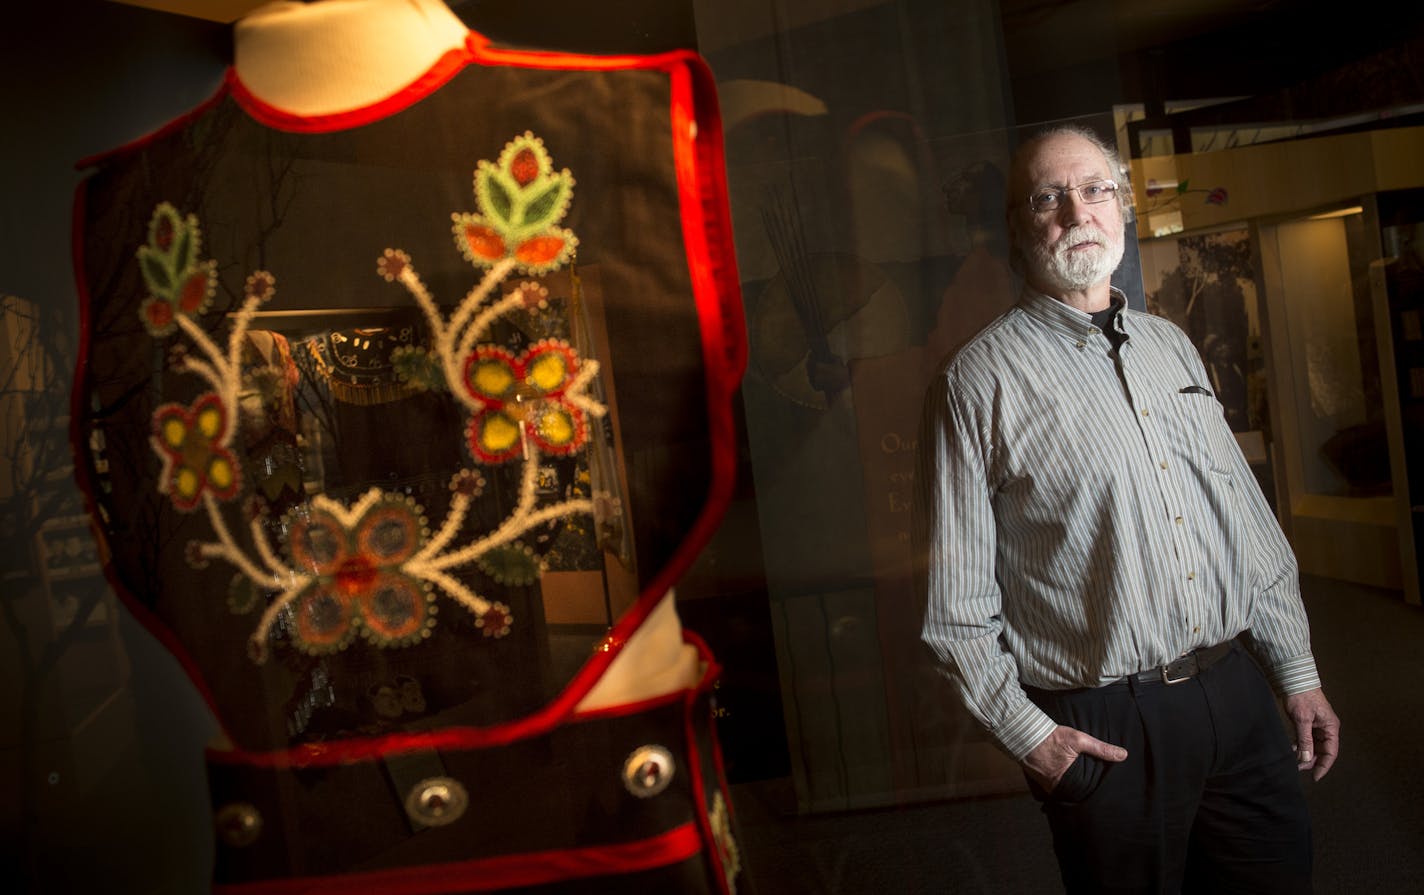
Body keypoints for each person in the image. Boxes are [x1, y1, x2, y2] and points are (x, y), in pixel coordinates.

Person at [912, 125, 1340, 893]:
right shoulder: (976, 383)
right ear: (1019, 226)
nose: (1077, 210)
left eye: (1095, 189)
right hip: (1107, 723)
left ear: (1123, 208)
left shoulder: (1169, 345)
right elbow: (955, 610)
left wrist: (1295, 670)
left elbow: (1245, 524)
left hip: (1235, 692)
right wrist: (1030, 738)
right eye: (1049, 197)